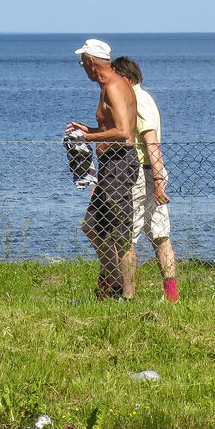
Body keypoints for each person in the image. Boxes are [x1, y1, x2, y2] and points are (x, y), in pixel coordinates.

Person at [66, 39, 139, 300]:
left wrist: (89, 139)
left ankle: (127, 296)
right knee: (92, 227)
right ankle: (114, 282)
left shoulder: (115, 86)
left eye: (82, 63)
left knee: (121, 234)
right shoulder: (106, 86)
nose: (82, 68)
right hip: (110, 164)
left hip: (120, 163)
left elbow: (124, 132)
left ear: (91, 62)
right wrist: (89, 130)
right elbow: (112, 128)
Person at [112, 55, 180, 303]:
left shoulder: (136, 100)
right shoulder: (147, 97)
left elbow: (151, 141)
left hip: (142, 171)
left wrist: (159, 181)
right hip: (153, 170)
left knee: (127, 235)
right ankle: (170, 294)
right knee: (160, 234)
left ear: (126, 79)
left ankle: (127, 295)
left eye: (115, 78)